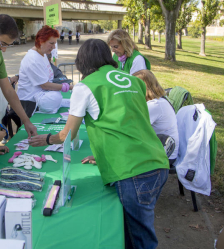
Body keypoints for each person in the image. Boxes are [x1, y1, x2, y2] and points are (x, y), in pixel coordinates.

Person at [29, 39, 169, 249]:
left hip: (133, 170)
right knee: (133, 231)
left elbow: (68, 134)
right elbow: (129, 122)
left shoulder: (86, 86)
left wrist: (47, 139)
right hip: (157, 161)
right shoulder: (135, 81)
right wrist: (106, 153)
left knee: (142, 239)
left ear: (82, 62)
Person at [17, 26, 72, 116]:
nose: (53, 47)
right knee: (56, 97)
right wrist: (67, 87)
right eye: (51, 43)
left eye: (55, 44)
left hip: (41, 96)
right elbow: (45, 85)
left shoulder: (42, 54)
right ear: (41, 41)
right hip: (30, 102)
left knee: (58, 97)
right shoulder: (33, 59)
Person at [133, 70, 179, 165]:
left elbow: (134, 127)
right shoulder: (158, 100)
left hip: (165, 153)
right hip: (160, 147)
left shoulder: (155, 105)